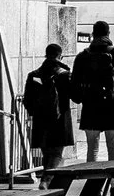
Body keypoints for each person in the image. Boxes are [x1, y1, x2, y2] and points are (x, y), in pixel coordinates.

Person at [69, 20, 114, 162]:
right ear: (108, 33)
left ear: (93, 34)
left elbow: (74, 85)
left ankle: (92, 175)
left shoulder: (82, 56)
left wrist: (81, 99)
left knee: (92, 148)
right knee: (113, 147)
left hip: (90, 107)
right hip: (111, 108)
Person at [21, 42, 74, 171]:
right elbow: (74, 95)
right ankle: (47, 179)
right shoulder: (64, 74)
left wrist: (33, 112)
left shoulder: (34, 75)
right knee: (56, 154)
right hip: (59, 119)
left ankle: (47, 178)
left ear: (46, 55)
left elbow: (27, 99)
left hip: (41, 119)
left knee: (46, 154)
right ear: (60, 56)